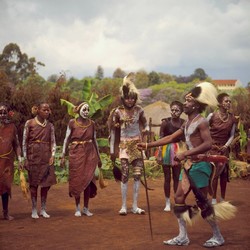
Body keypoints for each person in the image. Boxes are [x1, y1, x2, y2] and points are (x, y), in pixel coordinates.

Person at [138, 82, 229, 247]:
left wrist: (185, 153)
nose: (185, 104)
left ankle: (218, 235)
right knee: (179, 198)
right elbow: (171, 138)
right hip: (189, 166)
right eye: (186, 100)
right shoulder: (187, 123)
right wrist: (147, 145)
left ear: (195, 105)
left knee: (202, 203)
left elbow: (208, 144)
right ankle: (182, 236)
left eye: (188, 101)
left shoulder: (201, 122)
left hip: (201, 165)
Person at [108, 72, 149, 216]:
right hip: (124, 146)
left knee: (137, 175)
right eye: (127, 98)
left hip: (137, 145)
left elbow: (146, 125)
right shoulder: (117, 112)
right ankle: (124, 206)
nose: (130, 100)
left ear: (135, 98)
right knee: (125, 174)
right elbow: (113, 130)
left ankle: (135, 206)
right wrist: (112, 149)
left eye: (132, 98)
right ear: (123, 98)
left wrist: (145, 131)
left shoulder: (140, 111)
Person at [60, 102, 102, 217]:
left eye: (88, 110)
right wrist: (63, 155)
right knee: (77, 180)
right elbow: (66, 139)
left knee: (88, 180)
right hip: (76, 153)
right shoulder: (72, 123)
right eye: (84, 109)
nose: (86, 112)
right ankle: (77, 208)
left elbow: (94, 140)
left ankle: (86, 208)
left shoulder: (92, 124)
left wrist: (98, 157)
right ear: (78, 110)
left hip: (89, 154)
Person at [23, 102, 57, 219]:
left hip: (46, 157)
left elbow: (53, 141)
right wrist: (25, 158)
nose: (47, 112)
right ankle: (33, 209)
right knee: (34, 184)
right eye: (44, 110)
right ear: (37, 110)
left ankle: (43, 209)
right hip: (33, 157)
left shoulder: (50, 126)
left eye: (48, 110)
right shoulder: (30, 123)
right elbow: (24, 142)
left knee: (46, 184)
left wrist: (52, 155)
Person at [207, 93, 237, 205]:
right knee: (214, 173)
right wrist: (209, 144)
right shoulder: (212, 116)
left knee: (224, 173)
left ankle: (223, 199)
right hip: (212, 148)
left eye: (230, 101)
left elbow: (232, 135)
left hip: (224, 149)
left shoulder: (232, 118)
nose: (229, 103)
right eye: (226, 101)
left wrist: (226, 146)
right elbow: (204, 130)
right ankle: (213, 199)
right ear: (220, 103)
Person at [157, 101, 185, 212]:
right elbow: (160, 138)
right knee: (167, 177)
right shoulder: (165, 123)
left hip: (178, 150)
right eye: (172, 110)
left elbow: (185, 139)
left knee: (177, 177)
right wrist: (159, 154)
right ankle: (167, 202)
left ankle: (176, 201)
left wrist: (184, 152)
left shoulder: (184, 123)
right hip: (166, 150)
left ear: (181, 112)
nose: (174, 112)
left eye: (177, 110)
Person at [0, 103, 22, 220]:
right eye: (0, 112)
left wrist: (20, 160)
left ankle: (5, 213)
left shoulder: (12, 127)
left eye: (4, 112)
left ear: (8, 113)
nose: (2, 115)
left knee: (5, 186)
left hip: (7, 163)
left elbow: (17, 145)